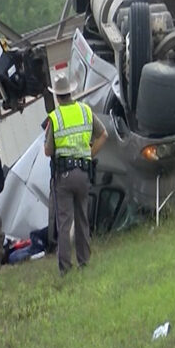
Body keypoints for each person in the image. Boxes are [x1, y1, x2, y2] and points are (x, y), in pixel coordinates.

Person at [43, 73, 108, 274]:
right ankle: (84, 262)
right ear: (70, 92)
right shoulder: (85, 111)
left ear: (57, 96)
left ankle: (65, 268)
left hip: (64, 176)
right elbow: (103, 134)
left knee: (64, 223)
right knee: (82, 219)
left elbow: (48, 151)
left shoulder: (55, 117)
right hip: (83, 173)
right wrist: (89, 154)